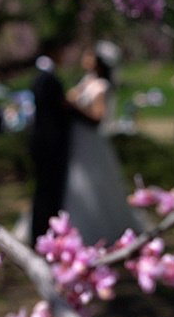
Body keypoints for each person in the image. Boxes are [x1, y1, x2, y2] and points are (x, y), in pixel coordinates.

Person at [62, 41, 146, 245]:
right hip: (77, 140)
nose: (85, 58)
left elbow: (98, 116)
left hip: (90, 142)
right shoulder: (87, 81)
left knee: (91, 184)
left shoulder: (101, 86)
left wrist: (74, 108)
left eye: (90, 55)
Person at [29, 54, 71, 241]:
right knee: (49, 192)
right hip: (51, 145)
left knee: (42, 191)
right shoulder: (49, 82)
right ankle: (45, 231)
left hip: (40, 142)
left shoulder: (37, 81)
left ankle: (40, 231)